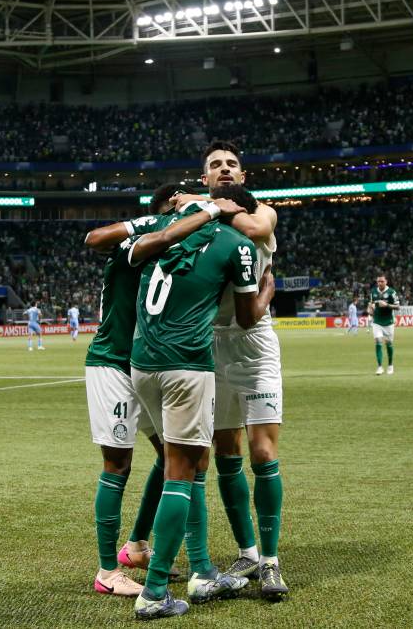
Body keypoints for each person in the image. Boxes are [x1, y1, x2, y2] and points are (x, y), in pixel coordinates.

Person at [81, 183, 245, 599]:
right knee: (118, 464)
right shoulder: (143, 242)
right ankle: (107, 571)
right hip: (113, 362)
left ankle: (139, 547)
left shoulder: (176, 246)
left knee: (178, 460)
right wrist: (202, 214)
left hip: (146, 363)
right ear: (171, 209)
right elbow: (97, 238)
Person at [129, 185, 274, 620]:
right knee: (184, 471)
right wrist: (268, 288)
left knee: (186, 465)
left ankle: (202, 570)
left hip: (141, 362)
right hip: (186, 364)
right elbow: (247, 317)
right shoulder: (238, 244)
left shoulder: (166, 228)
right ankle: (155, 591)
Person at [175, 141, 289, 600]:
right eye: (215, 166)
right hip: (211, 344)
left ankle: (273, 561)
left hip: (257, 345)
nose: (224, 169)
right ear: (204, 176)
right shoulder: (196, 220)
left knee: (263, 454)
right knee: (225, 453)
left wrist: (210, 207)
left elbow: (256, 224)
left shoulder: (263, 212)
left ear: (242, 176)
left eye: (231, 165)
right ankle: (247, 551)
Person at [368, 274, 400, 375]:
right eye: (378, 281)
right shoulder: (373, 292)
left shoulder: (392, 292)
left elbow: (398, 306)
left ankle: (390, 365)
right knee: (378, 341)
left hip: (389, 322)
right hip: (377, 321)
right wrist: (370, 309)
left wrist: (387, 305)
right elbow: (371, 305)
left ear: (386, 282)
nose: (380, 283)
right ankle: (380, 367)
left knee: (389, 344)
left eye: (382, 281)